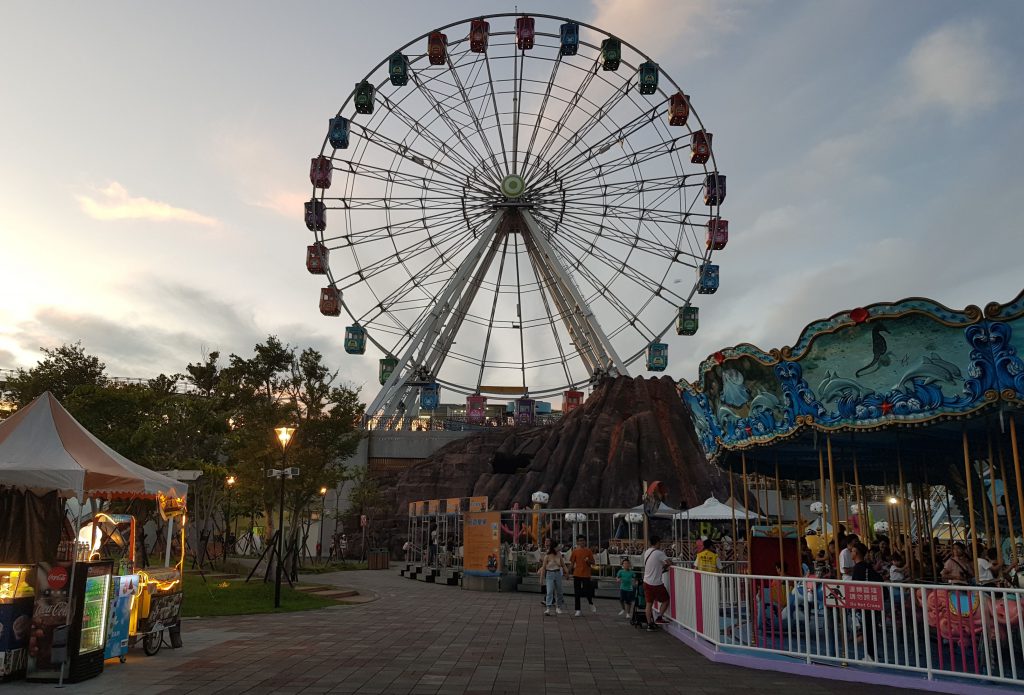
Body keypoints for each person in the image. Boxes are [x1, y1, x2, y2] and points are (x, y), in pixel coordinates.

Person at [851, 542, 883, 662]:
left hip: (865, 602)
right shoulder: (866, 566)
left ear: (857, 553)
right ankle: (871, 653)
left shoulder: (859, 568)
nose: (851, 553)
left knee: (868, 628)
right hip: (871, 601)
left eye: (852, 551)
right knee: (869, 628)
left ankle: (870, 655)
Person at [643, 535, 671, 631]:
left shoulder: (647, 552)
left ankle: (649, 624)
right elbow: (669, 562)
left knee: (649, 603)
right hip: (656, 583)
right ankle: (659, 617)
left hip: (646, 581)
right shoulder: (659, 553)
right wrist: (664, 567)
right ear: (658, 542)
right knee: (666, 600)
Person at [569, 535, 596, 616]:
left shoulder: (589, 551)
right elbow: (572, 563)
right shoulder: (575, 551)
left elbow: (593, 563)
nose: (581, 542)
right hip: (577, 574)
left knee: (587, 591)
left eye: (583, 540)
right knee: (577, 592)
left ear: (585, 541)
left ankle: (590, 602)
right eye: (580, 540)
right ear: (577, 542)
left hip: (586, 574)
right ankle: (577, 609)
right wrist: (567, 572)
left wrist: (588, 561)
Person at [540, 539, 568, 616]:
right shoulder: (547, 556)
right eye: (557, 546)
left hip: (558, 573)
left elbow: (563, 565)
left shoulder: (559, 555)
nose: (558, 548)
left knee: (559, 591)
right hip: (549, 574)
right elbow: (543, 567)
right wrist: (541, 579)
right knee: (549, 591)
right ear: (553, 547)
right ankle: (548, 608)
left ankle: (558, 607)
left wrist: (567, 572)